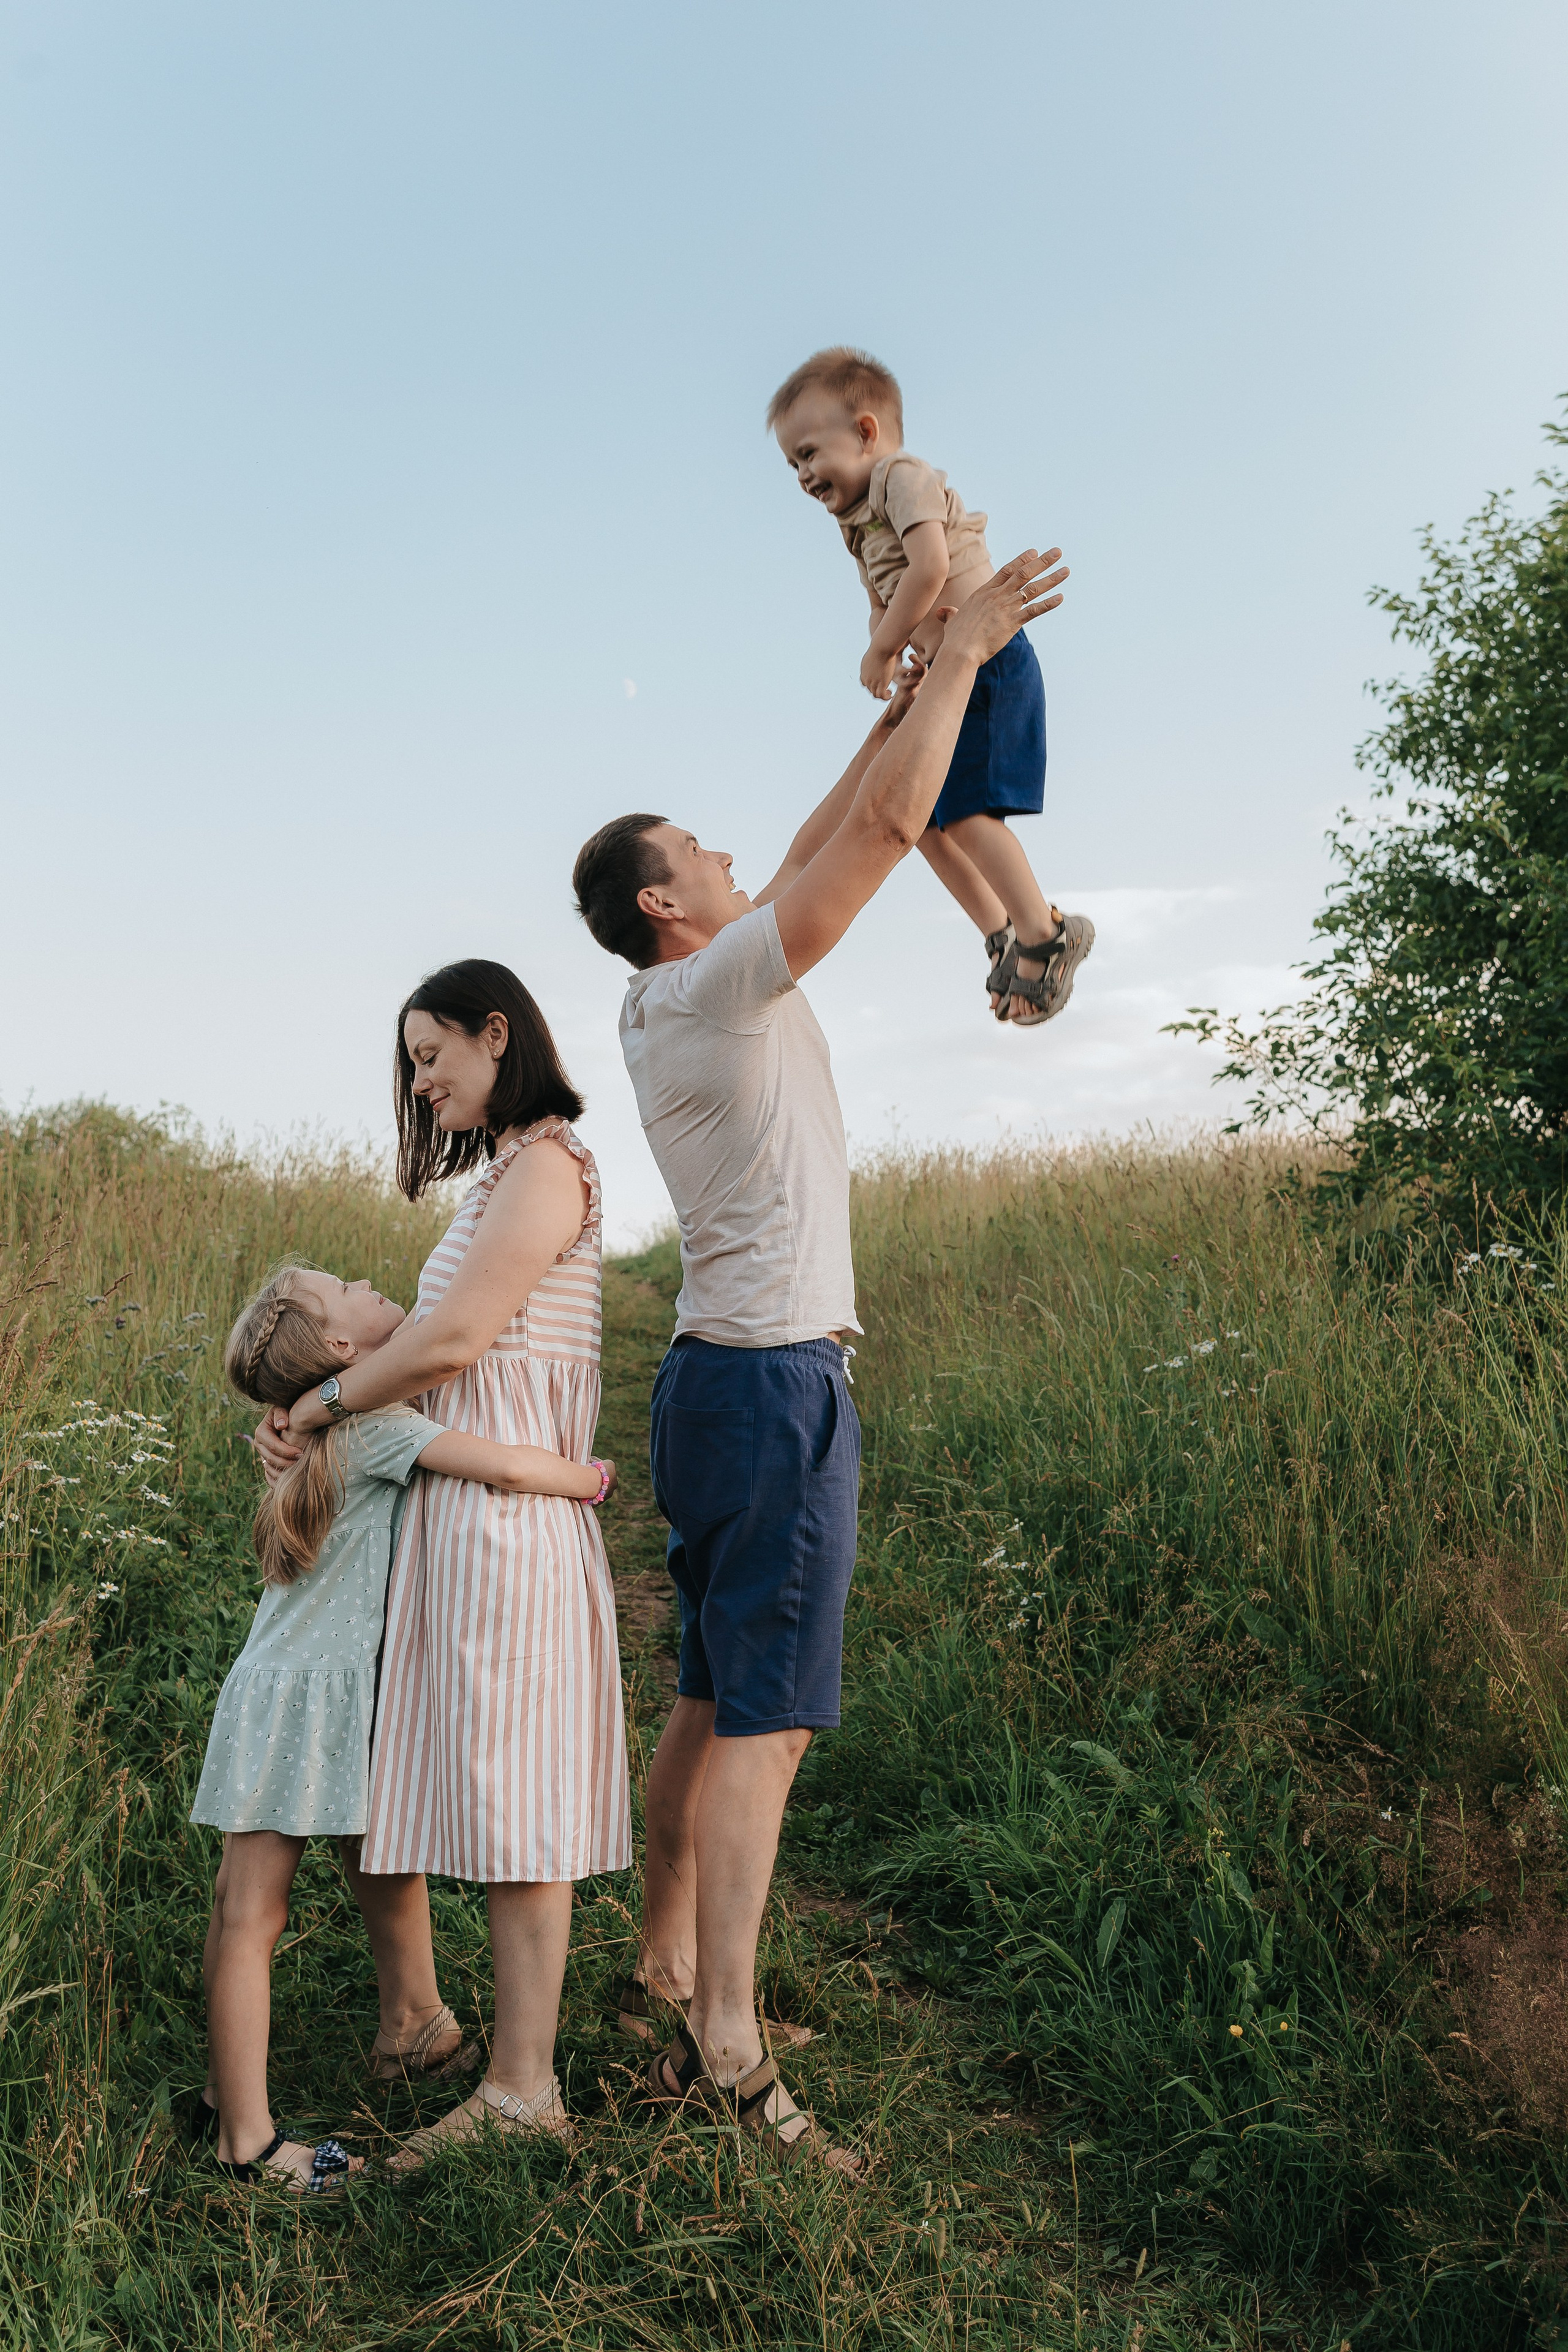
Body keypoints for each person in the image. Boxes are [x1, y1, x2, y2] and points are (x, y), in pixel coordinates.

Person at [571, 547, 1068, 2172]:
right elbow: (860, 846)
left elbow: (821, 831)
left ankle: (663, 1964)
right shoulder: (717, 986)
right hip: (776, 1388)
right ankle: (727, 2048)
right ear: (666, 904)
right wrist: (970, 643)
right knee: (764, 1727)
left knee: (715, 1691)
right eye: (698, 852)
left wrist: (915, 687)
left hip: (719, 1381)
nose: (730, 853)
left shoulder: (679, 998)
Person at [255, 960, 631, 2160]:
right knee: (417, 1773)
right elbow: (425, 1341)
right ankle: (421, 2025)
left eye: (431, 1056)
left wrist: (320, 1405)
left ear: (495, 1033)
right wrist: (308, 1400)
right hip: (461, 1520)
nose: (418, 1085)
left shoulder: (545, 1165)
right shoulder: (498, 1180)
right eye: (410, 1067)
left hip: (507, 1528)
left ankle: (522, 2091)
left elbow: (459, 1339)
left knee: (519, 1796)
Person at [195, 1262, 616, 2193]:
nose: (364, 1278)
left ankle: (320, 2068)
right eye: (344, 1286)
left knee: (252, 1908)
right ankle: (250, 2149)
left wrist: (294, 1406)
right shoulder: (375, 1427)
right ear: (342, 1349)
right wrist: (586, 1478)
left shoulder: (333, 1423)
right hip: (311, 1697)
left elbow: (438, 1344)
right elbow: (502, 1464)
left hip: (279, 1686)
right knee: (251, 1919)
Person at [767, 344, 1093, 1029]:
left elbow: (928, 567)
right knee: (925, 823)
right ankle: (1000, 931)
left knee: (971, 815)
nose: (801, 474)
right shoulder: (855, 523)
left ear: (864, 432)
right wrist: (894, 656)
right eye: (791, 464)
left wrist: (881, 647)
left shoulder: (901, 476)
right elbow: (881, 594)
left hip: (991, 664)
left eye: (808, 453)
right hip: (950, 676)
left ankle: (1045, 932)